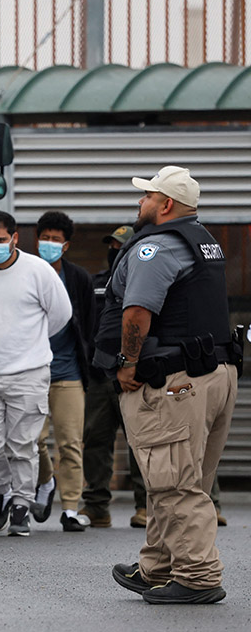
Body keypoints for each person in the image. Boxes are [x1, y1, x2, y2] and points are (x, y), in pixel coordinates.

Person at [96, 166, 238, 605]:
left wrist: (126, 363)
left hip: (173, 382)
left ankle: (197, 577)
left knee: (175, 482)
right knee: (177, 477)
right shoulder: (203, 242)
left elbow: (137, 312)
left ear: (166, 205)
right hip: (213, 374)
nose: (140, 203)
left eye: (147, 196)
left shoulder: (155, 249)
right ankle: (158, 566)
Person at [0, 210, 71, 537]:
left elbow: (61, 315)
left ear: (14, 238)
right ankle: (1, 491)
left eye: (0, 240)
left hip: (29, 372)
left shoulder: (38, 271)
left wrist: (29, 342)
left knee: (23, 444)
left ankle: (22, 504)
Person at [79, 225, 148, 529]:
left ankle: (145, 505)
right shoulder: (95, 283)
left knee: (139, 442)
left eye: (121, 246)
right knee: (95, 440)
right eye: (112, 246)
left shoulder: (145, 280)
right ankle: (96, 506)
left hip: (134, 376)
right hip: (98, 375)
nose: (115, 251)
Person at [30, 211, 95, 532]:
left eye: (56, 240)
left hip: (69, 372)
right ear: (36, 239)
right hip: (30, 371)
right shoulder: (26, 273)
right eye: (46, 238)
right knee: (33, 439)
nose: (50, 244)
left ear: (66, 245)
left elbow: (88, 324)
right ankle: (46, 481)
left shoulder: (78, 278)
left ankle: (71, 507)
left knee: (71, 442)